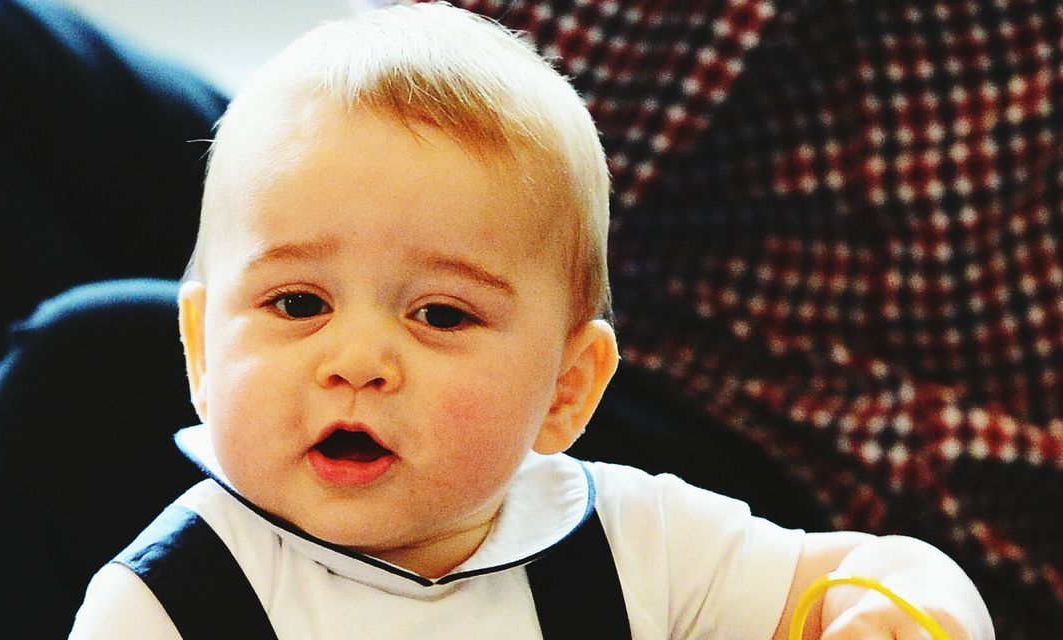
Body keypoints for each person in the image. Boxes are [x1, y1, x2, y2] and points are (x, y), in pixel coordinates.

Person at [67, 5, 993, 639]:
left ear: (565, 387)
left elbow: (878, 573)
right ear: (198, 349)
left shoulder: (631, 541)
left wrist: (899, 611)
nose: (356, 361)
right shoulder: (165, 603)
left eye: (440, 314)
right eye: (298, 303)